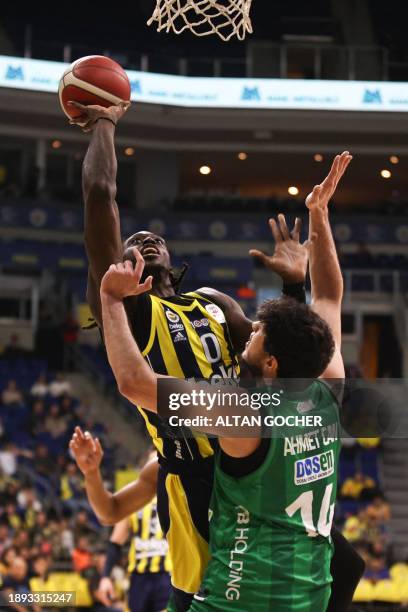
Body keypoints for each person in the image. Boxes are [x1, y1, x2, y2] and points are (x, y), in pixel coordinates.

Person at [68, 100, 363, 611]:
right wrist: (103, 126)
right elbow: (100, 195)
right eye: (132, 241)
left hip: (248, 448)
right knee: (207, 589)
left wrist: (294, 288)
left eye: (153, 236)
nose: (143, 238)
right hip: (197, 476)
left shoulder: (214, 303)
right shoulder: (139, 315)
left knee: (344, 565)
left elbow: (285, 350)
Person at [69, 432, 171, 612]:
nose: (155, 465)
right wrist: (106, 576)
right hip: (139, 574)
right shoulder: (139, 495)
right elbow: (115, 540)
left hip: (171, 574)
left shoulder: (179, 491)